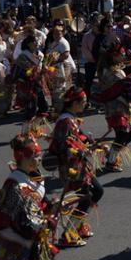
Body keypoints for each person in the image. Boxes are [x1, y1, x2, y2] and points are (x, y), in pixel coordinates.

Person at [47, 87, 104, 248]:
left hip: (80, 165)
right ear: (75, 103)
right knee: (85, 197)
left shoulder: (71, 119)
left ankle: (77, 225)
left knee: (97, 191)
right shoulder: (65, 121)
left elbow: (81, 137)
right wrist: (83, 150)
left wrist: (94, 144)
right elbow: (62, 146)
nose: (85, 105)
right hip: (72, 168)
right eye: (84, 102)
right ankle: (68, 234)